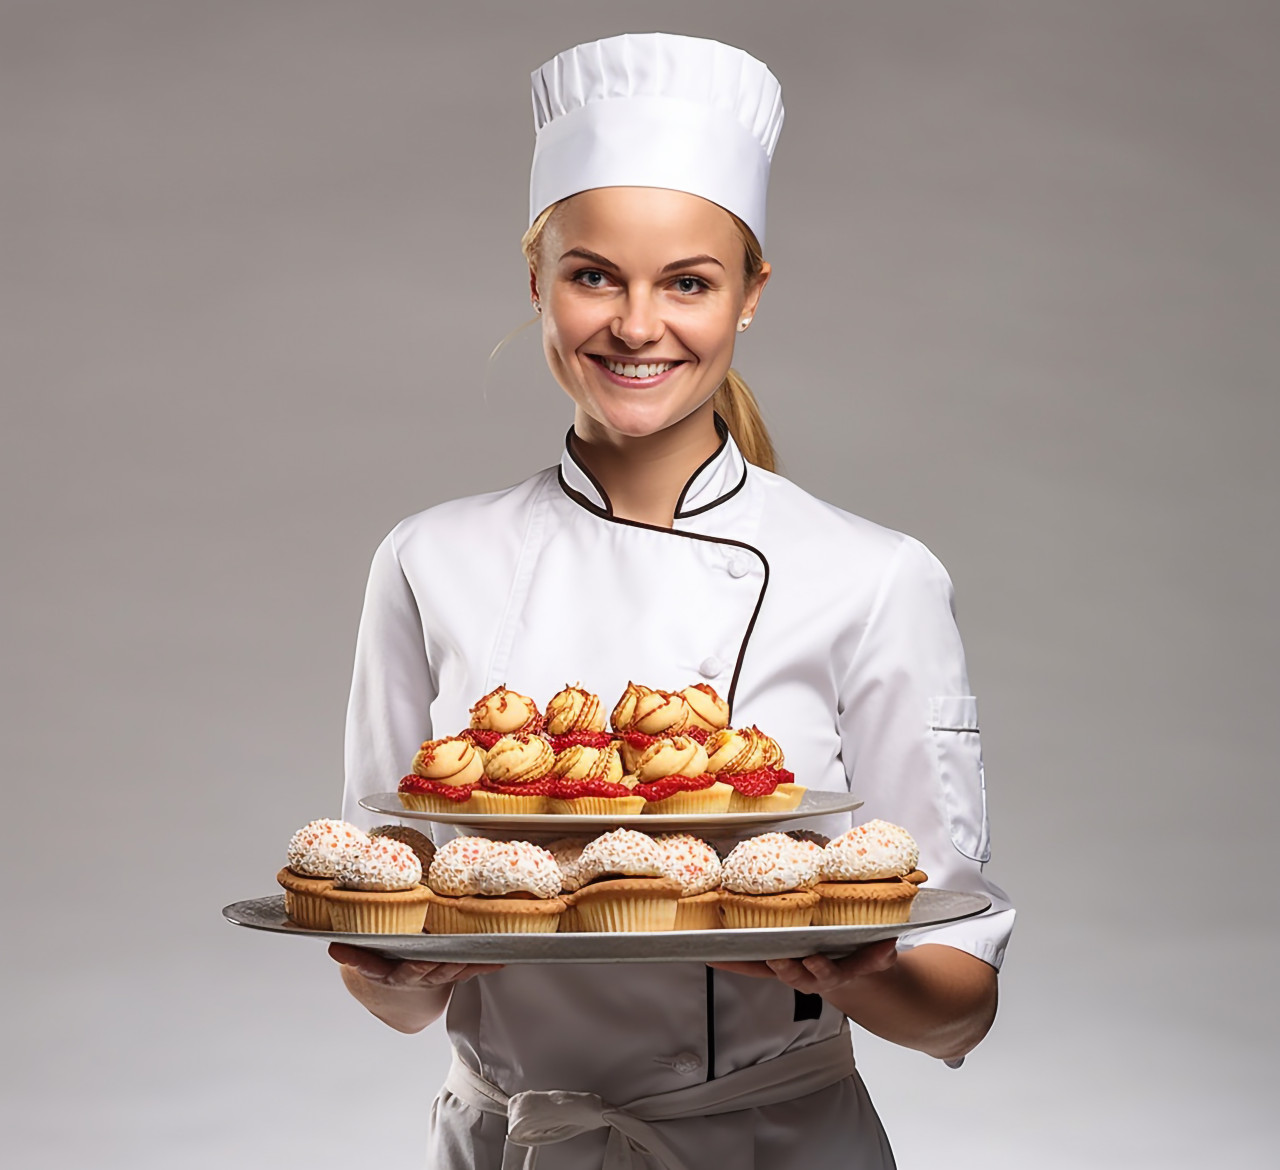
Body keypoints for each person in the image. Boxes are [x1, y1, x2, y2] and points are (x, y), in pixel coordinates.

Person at [331, 32, 1014, 1170]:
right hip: (509, 1142)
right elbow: (393, 971)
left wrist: (866, 974)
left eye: (686, 283)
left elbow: (960, 1006)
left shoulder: (871, 575)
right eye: (592, 274)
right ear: (536, 282)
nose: (636, 326)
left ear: (748, 297)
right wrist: (389, 968)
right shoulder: (425, 557)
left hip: (766, 1144)